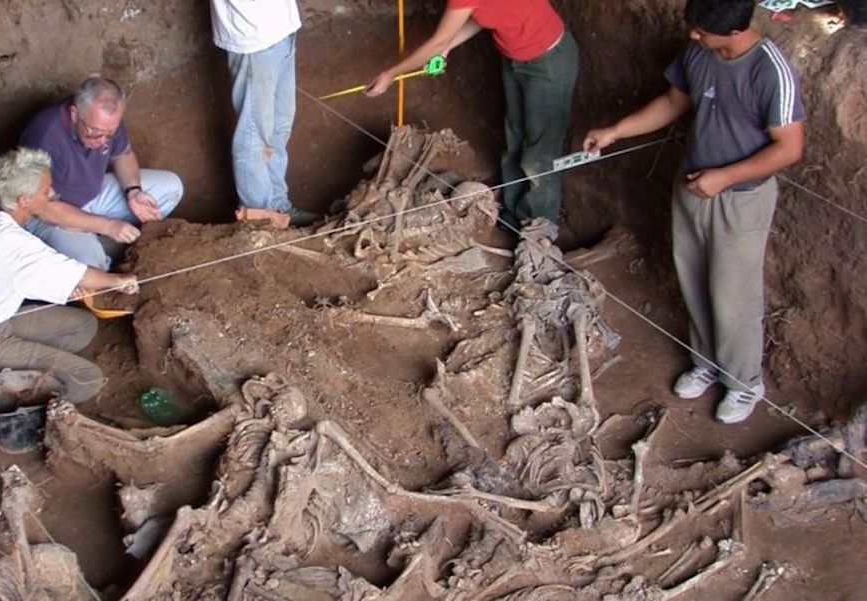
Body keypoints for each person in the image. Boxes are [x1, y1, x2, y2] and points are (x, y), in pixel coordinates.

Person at [583, 0, 805, 424]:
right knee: (694, 276)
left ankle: (744, 383)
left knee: (733, 292)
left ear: (734, 30)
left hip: (741, 197)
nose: (692, 35)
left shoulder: (770, 70)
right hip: (692, 184)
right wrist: (616, 131)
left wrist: (724, 177)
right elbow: (672, 102)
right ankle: (707, 362)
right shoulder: (700, 53)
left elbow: (790, 148)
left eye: (702, 30)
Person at [0, 147, 140, 404]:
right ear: (24, 200)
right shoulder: (12, 243)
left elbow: (15, 277)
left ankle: (21, 369)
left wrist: (65, 285)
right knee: (88, 378)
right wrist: (119, 281)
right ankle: (17, 396)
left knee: (83, 327)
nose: (51, 192)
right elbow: (80, 274)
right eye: (45, 189)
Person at [366, 0, 578, 232]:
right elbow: (479, 15)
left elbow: (440, 39)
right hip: (516, 59)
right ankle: (512, 208)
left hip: (547, 61)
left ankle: (538, 225)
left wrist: (392, 74)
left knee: (540, 151)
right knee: (515, 133)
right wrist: (448, 46)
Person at [19, 76, 184, 269]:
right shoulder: (44, 137)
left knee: (171, 187)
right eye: (95, 133)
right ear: (74, 115)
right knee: (93, 266)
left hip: (90, 196)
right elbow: (45, 208)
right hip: (51, 215)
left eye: (110, 133)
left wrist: (134, 191)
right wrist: (108, 226)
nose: (103, 141)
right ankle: (99, 245)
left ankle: (110, 242)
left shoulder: (105, 123)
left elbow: (123, 154)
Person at [210, 0, 319, 226]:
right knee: (254, 135)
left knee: (279, 127)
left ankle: (279, 207)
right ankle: (261, 219)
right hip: (253, 36)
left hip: (281, 29)